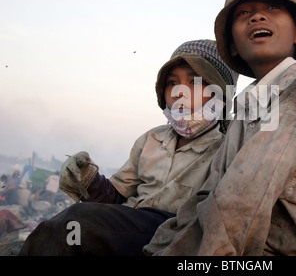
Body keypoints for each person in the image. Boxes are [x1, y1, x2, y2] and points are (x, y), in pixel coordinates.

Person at [144, 0, 296, 256]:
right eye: (244, 13)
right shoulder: (251, 101)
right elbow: (209, 193)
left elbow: (242, 203)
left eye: (272, 8)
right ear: (234, 46)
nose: (257, 18)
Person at [18, 39, 238, 256]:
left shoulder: (228, 147)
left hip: (177, 233)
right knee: (62, 229)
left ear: (220, 95)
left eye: (195, 83)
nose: (180, 92)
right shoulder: (150, 139)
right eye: (172, 83)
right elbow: (116, 197)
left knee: (74, 223)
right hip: (128, 227)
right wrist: (87, 180)